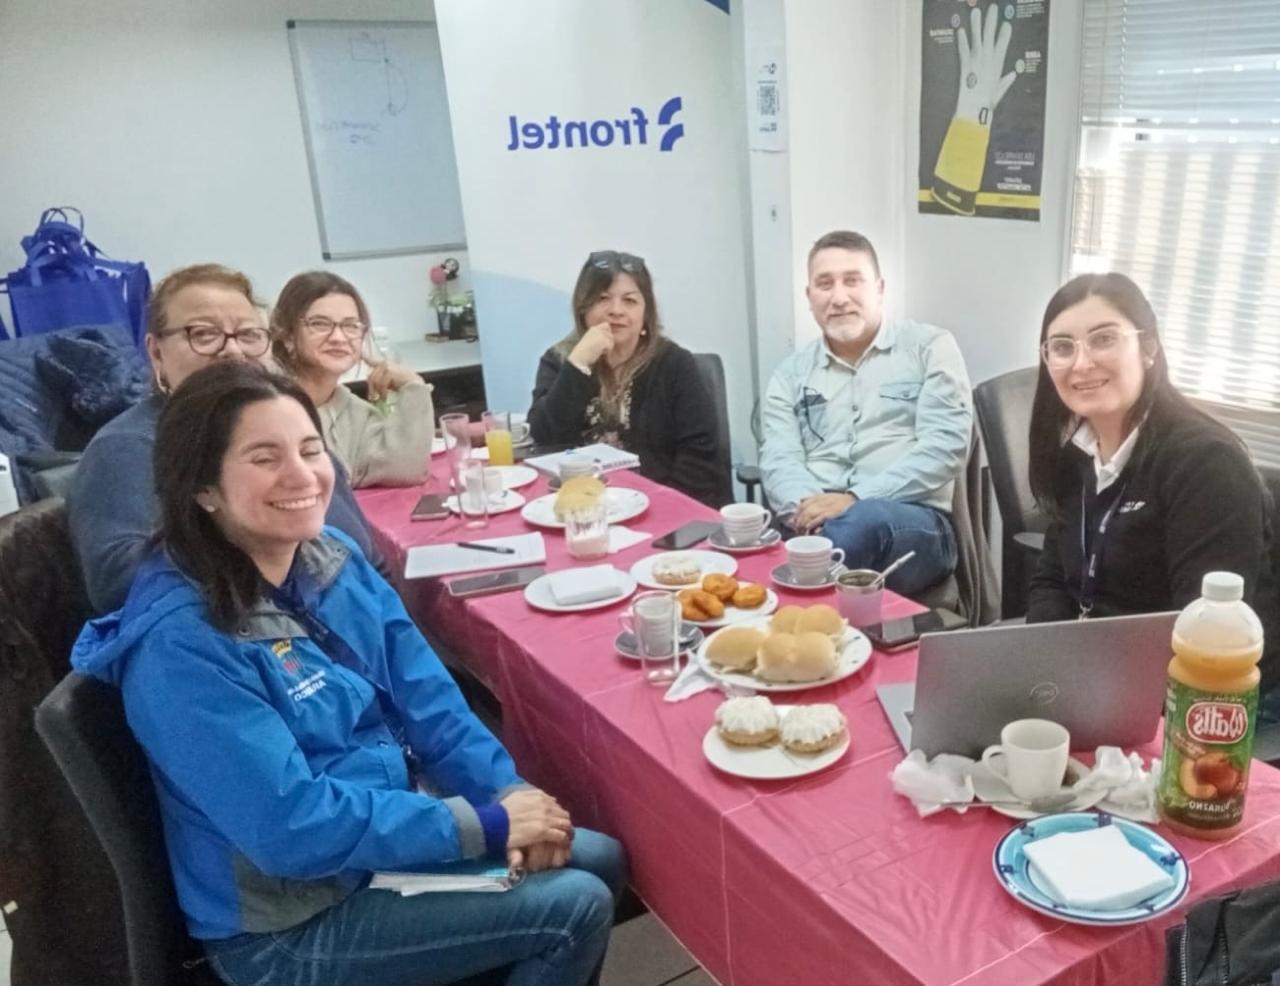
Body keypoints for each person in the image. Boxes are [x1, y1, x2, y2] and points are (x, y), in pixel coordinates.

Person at [71, 362, 625, 986]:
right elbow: (289, 827)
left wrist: (507, 794)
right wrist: (483, 827)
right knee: (574, 907)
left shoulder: (332, 560)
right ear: (203, 487)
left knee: (597, 857)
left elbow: (430, 703)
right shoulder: (182, 643)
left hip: (375, 848)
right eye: (264, 458)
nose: (301, 475)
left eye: (311, 449)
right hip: (288, 923)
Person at [67, 264, 382, 614]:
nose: (232, 350)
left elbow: (369, 559)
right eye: (203, 334)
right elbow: (117, 584)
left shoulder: (289, 430)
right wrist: (264, 546)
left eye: (248, 334)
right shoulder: (126, 446)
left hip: (358, 627)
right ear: (156, 352)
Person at [1025, 272, 1278, 689]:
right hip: (1098, 674)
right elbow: (1052, 580)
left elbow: (1203, 635)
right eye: (1063, 347)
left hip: (1209, 695)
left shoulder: (1206, 464)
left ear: (1148, 348)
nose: (1081, 363)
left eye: (1104, 339)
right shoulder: (1076, 455)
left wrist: (1093, 690)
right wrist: (1046, 668)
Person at [760, 231, 972, 595]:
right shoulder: (789, 374)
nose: (839, 297)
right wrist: (811, 514)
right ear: (809, 297)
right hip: (815, 523)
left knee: (863, 523)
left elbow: (945, 448)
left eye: (852, 280)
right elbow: (779, 460)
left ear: (880, 288)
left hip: (911, 521)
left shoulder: (929, 348)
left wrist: (855, 499)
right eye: (825, 284)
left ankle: (805, 603)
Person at [528, 250, 728, 506]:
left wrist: (657, 507)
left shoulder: (675, 364)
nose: (616, 311)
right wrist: (578, 365)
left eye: (630, 301)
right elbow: (544, 440)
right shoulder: (559, 360)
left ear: (646, 313)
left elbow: (699, 458)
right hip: (581, 507)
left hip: (660, 506)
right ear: (583, 307)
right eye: (603, 298)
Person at [272, 271, 434, 488]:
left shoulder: (353, 412)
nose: (338, 338)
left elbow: (406, 469)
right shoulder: (267, 407)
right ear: (288, 337)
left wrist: (412, 385)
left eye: (350, 326)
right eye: (320, 324)